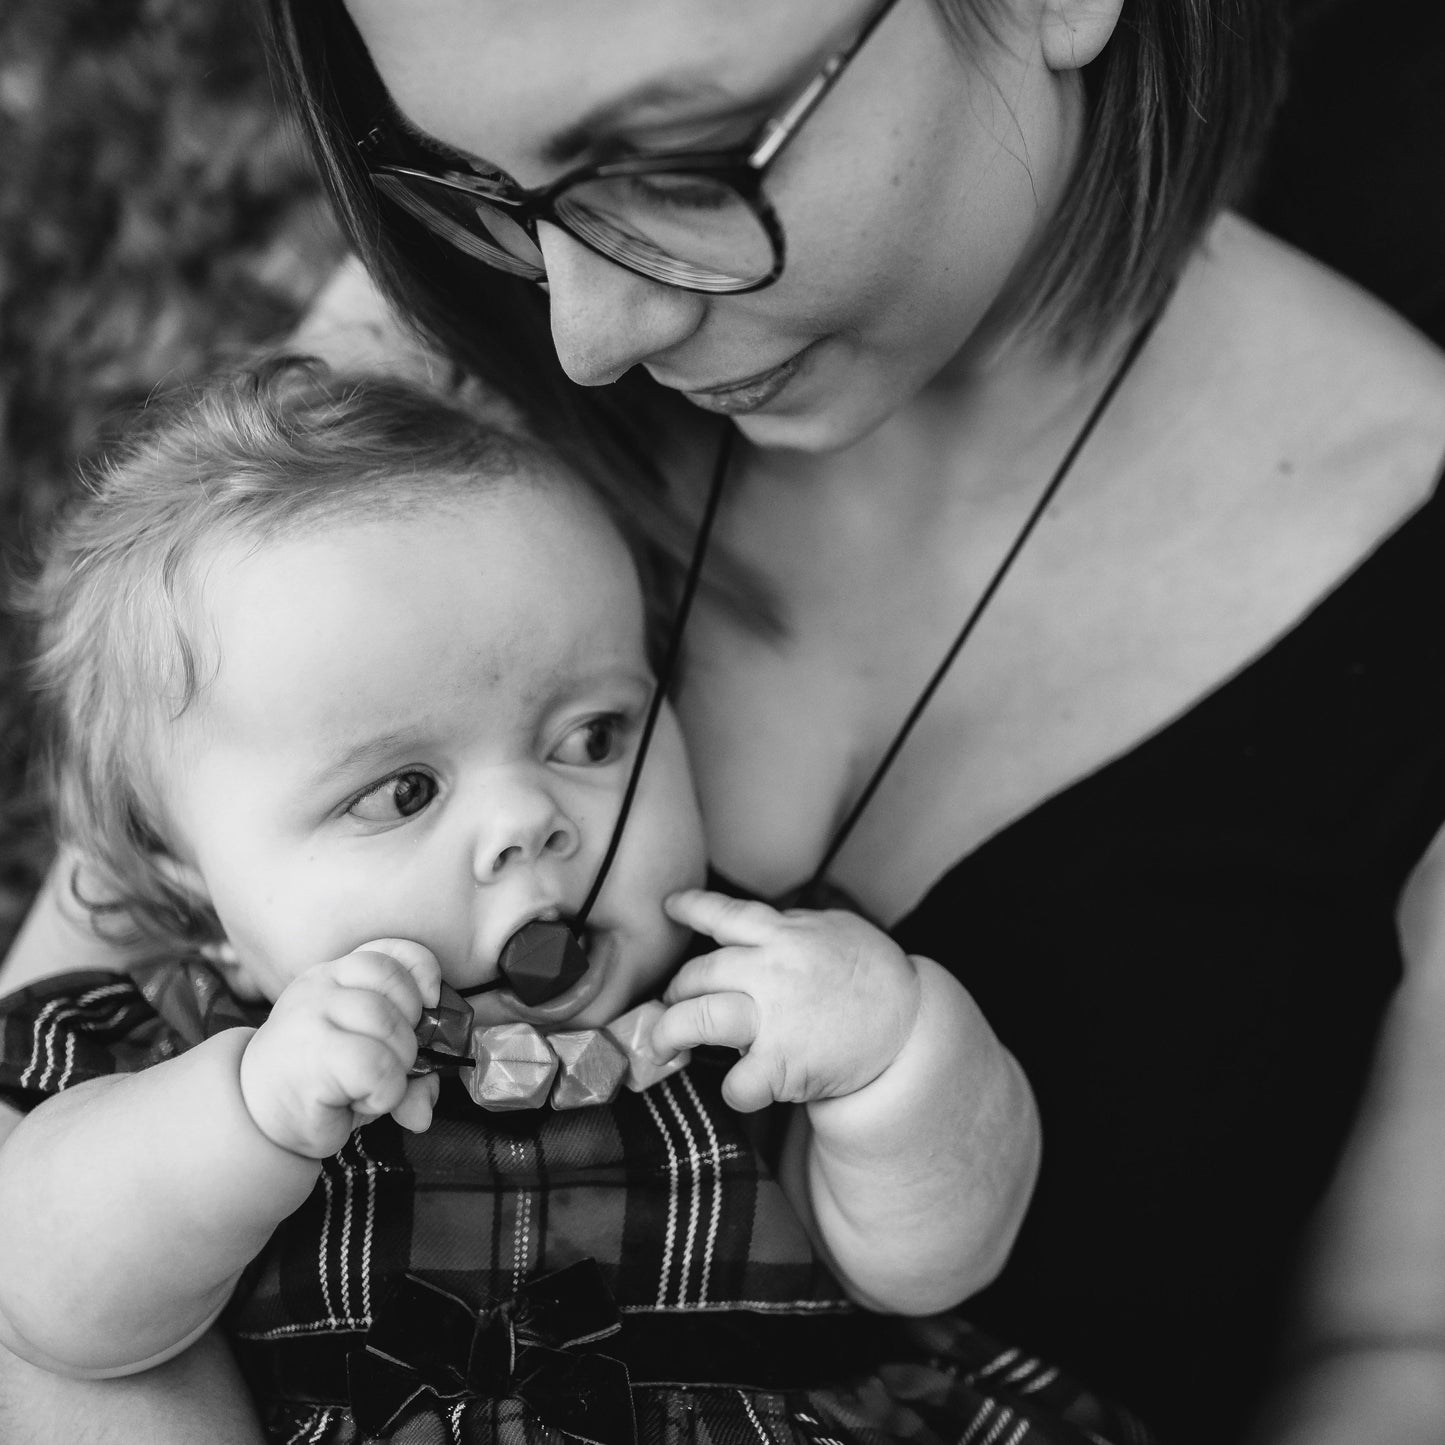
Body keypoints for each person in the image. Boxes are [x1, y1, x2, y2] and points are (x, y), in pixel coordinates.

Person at [4, 0, 1445, 1441]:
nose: (582, 335)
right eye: (479, 191)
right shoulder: (362, 457)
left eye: (683, 163)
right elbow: (43, 1284)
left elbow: (1398, 1354)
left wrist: (903, 1064)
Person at [0, 359, 1129, 1444]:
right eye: (401, 790)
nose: (529, 823)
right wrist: (247, 1116)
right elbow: (58, 1308)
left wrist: (898, 1053)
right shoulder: (167, 1070)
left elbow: (938, 1262)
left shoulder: (750, 1001)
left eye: (591, 736)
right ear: (196, 893)